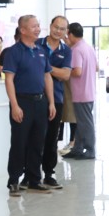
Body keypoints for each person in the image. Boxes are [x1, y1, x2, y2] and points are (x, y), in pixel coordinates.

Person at [1, 13, 56, 195]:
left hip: (40, 102)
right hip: (22, 102)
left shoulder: (41, 50)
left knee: (37, 142)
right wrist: (15, 105)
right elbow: (9, 80)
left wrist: (51, 102)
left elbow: (47, 76)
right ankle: (14, 180)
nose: (38, 29)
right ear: (23, 30)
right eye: (33, 26)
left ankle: (34, 179)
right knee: (19, 142)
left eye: (38, 25)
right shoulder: (13, 52)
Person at [37, 14, 74, 189]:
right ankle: (30, 175)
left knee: (52, 138)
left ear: (66, 31)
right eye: (56, 27)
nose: (58, 31)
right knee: (34, 137)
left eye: (62, 29)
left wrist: (43, 66)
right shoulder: (36, 44)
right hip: (35, 97)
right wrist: (54, 71)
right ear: (50, 26)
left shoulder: (66, 50)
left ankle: (49, 174)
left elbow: (65, 75)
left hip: (57, 98)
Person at [65, 21, 99, 159]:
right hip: (89, 91)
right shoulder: (88, 47)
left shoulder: (76, 50)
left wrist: (65, 72)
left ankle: (90, 150)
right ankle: (77, 148)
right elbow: (96, 67)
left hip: (81, 93)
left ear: (70, 34)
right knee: (81, 121)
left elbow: (77, 72)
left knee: (86, 123)